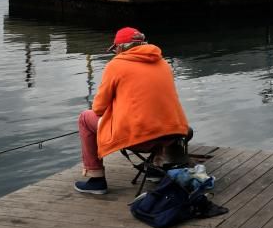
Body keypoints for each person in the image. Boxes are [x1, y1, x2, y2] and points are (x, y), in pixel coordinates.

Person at [75, 27, 190, 194]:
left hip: (141, 139)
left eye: (115, 49)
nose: (115, 53)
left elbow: (98, 108)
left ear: (121, 47)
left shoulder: (116, 65)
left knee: (85, 118)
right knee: (154, 113)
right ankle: (154, 169)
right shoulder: (163, 63)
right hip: (171, 136)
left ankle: (96, 178)